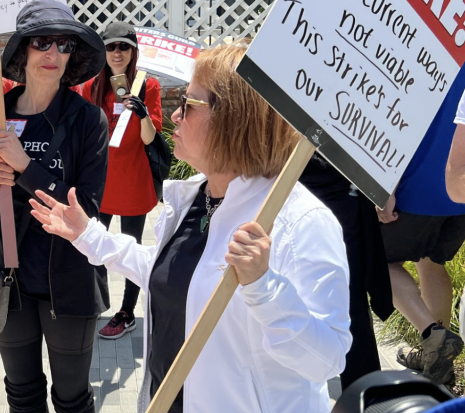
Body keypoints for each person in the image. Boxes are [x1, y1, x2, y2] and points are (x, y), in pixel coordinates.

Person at [30, 41, 351, 413]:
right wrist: (88, 236)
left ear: (234, 118)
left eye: (189, 103)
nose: (176, 115)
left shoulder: (298, 222)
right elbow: (171, 275)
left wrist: (264, 287)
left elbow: (327, 359)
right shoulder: (195, 196)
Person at [0, 0, 109, 413]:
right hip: (8, 281)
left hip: (70, 283)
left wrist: (26, 166)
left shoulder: (88, 121)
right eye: (42, 42)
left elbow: (85, 209)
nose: (52, 54)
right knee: (23, 396)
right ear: (23, 50)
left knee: (71, 401)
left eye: (63, 44)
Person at [382, 67, 465, 385]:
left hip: (421, 183)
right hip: (458, 191)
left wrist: (384, 182)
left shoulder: (438, 30)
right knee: (431, 262)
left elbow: (400, 105)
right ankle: (436, 357)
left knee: (375, 260)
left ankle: (434, 338)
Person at [80, 22, 163, 340]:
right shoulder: (92, 86)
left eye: (123, 47)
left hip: (132, 179)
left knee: (131, 249)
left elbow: (149, 139)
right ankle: (95, 303)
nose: (117, 53)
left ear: (133, 51)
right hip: (99, 181)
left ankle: (127, 312)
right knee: (92, 245)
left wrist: (141, 114)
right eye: (111, 47)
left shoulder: (148, 85)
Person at [298, 156, 393, 391]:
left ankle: (366, 395)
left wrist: (386, 185)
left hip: (337, 180)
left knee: (350, 299)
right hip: (294, 172)